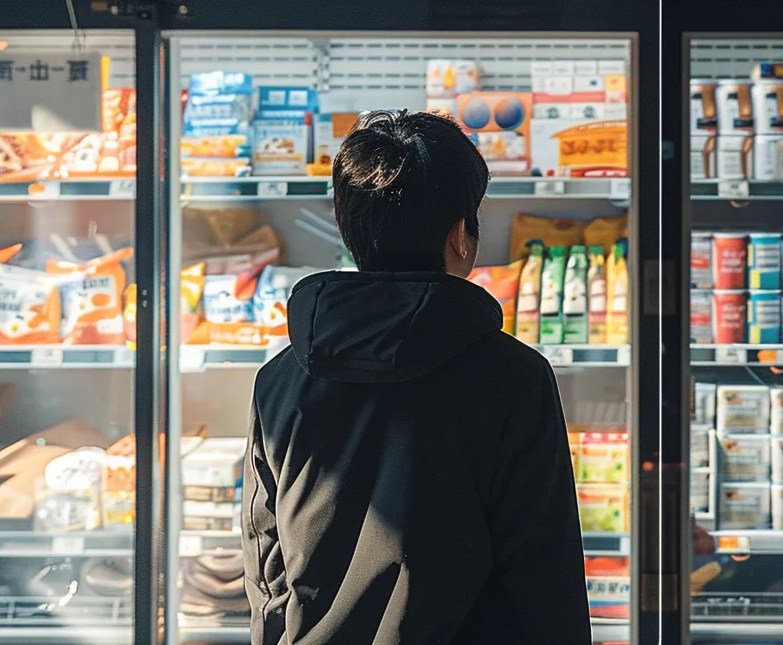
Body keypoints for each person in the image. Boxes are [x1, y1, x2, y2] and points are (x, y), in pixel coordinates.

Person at [244, 110, 589, 644]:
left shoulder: (279, 380)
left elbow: (268, 570)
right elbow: (544, 576)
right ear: (460, 235)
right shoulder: (515, 379)